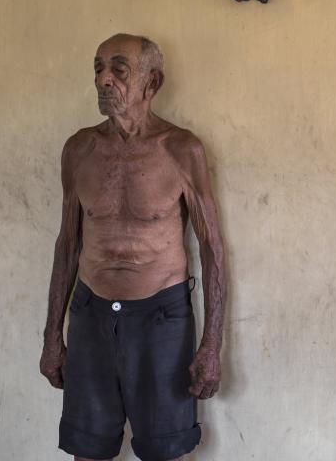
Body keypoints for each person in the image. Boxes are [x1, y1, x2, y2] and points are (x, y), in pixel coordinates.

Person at [40, 33, 226, 461]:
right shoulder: (79, 149)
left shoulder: (181, 149)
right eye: (98, 69)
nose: (105, 79)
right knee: (87, 451)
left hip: (161, 318)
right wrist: (52, 335)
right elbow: (67, 244)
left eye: (119, 70)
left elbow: (213, 249)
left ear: (152, 82)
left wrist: (211, 345)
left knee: (165, 452)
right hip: (90, 315)